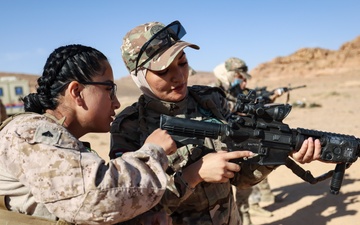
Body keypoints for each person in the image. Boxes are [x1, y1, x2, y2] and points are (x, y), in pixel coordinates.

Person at [110, 20, 322, 225]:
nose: (179, 76)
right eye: (163, 71)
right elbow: (132, 209)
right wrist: (193, 176)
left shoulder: (210, 100)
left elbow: (241, 178)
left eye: (182, 63)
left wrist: (275, 153)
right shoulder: (129, 127)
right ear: (138, 76)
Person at [0, 44, 177, 225]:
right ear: (76, 92)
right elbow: (95, 198)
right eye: (109, 89)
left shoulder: (57, 138)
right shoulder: (30, 133)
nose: (116, 103)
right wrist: (154, 153)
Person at [214, 57, 280, 225]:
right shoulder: (214, 92)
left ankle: (247, 215)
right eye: (239, 76)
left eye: (243, 77)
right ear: (229, 74)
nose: (242, 81)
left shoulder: (238, 92)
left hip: (244, 142)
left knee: (248, 181)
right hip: (222, 147)